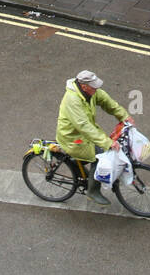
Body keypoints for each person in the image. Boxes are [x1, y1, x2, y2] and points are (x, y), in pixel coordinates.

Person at [56, 70, 131, 206]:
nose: (97, 89)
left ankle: (78, 166)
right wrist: (107, 142)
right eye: (94, 86)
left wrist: (124, 116)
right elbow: (84, 126)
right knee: (101, 155)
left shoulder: (91, 92)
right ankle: (93, 191)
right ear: (84, 86)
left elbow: (108, 102)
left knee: (103, 146)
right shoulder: (72, 100)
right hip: (73, 139)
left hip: (85, 134)